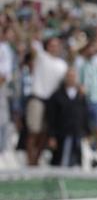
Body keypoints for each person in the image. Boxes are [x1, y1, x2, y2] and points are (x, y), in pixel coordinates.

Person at [26, 36, 68, 165]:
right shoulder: (41, 57)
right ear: (47, 46)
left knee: (44, 134)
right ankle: (30, 162)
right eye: (52, 45)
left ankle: (36, 161)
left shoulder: (63, 65)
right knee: (34, 131)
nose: (54, 48)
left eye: (57, 45)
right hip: (37, 98)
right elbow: (30, 42)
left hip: (52, 103)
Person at [46, 68, 88, 167]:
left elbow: (84, 115)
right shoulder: (57, 96)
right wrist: (51, 135)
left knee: (76, 161)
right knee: (60, 161)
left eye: (73, 76)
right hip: (62, 134)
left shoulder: (80, 96)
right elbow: (51, 117)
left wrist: (86, 131)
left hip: (76, 133)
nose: (71, 79)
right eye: (69, 76)